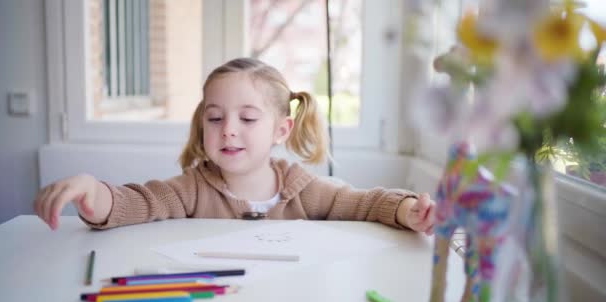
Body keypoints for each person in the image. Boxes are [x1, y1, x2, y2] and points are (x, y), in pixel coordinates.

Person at [34, 58, 435, 234]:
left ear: (281, 130)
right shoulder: (192, 189)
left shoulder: (302, 188)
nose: (227, 130)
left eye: (246, 119)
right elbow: (136, 202)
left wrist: (407, 210)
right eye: (214, 118)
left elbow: (364, 203)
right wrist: (93, 193)